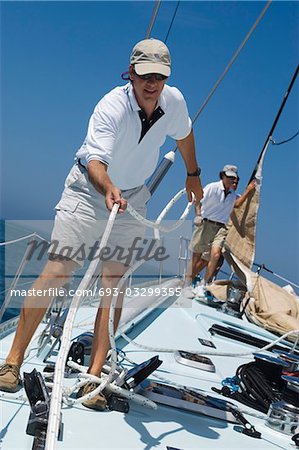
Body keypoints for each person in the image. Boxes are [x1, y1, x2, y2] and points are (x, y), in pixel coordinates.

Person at [0, 38, 203, 409]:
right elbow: (95, 160)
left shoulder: (173, 102)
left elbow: (185, 133)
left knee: (115, 283)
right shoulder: (112, 106)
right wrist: (108, 187)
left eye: (159, 76)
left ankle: (94, 380)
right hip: (88, 191)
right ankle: (12, 363)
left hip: (134, 196)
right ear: (131, 72)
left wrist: (193, 174)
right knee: (58, 270)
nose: (152, 83)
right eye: (145, 75)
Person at [185, 164, 255, 292]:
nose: (232, 180)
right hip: (206, 223)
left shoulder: (232, 194)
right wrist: (198, 215)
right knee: (196, 256)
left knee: (216, 255)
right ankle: (187, 282)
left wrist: (249, 190)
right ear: (222, 176)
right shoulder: (212, 187)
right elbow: (198, 199)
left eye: (234, 178)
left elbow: (237, 204)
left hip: (221, 228)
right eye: (229, 177)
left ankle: (203, 284)